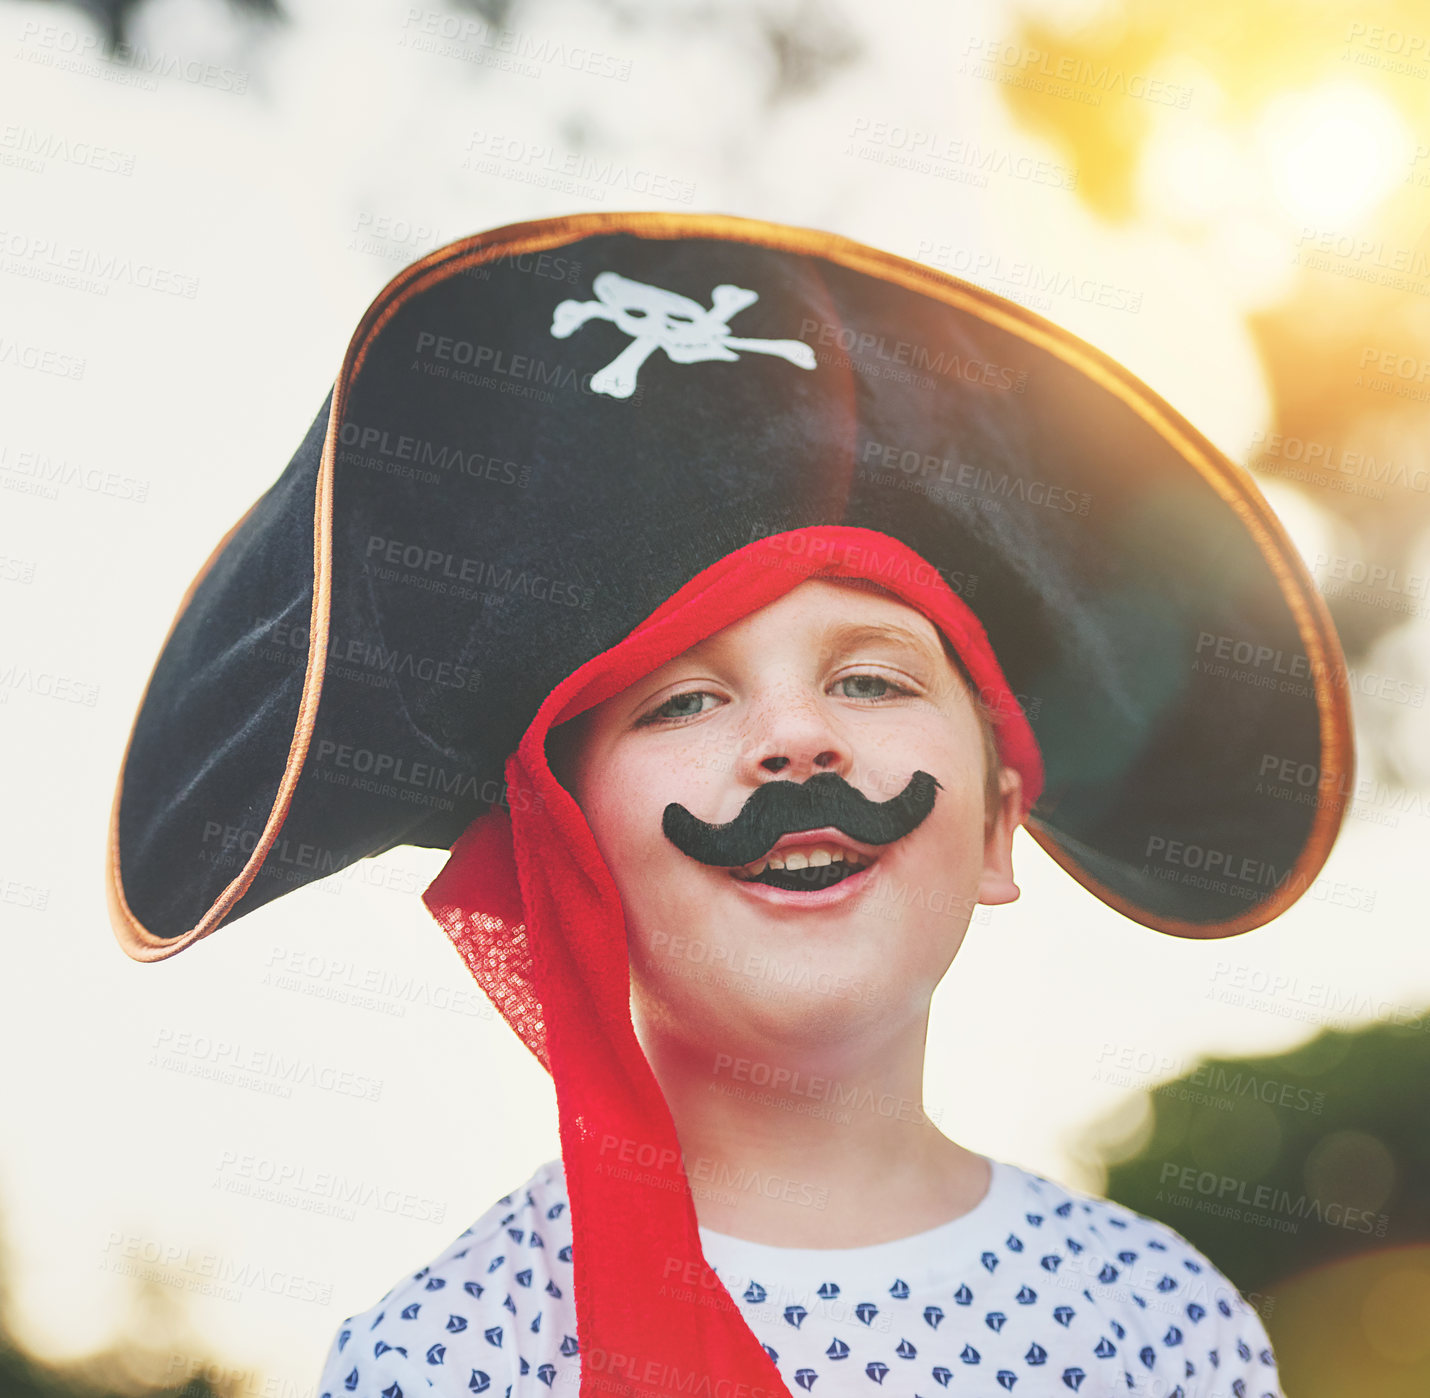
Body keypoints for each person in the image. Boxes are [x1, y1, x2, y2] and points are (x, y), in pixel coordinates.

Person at [105, 213, 1351, 1398]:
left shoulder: (1160, 1322)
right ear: (563, 851)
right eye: (680, 703)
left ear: (991, 824)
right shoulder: (442, 1356)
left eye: (868, 678)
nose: (796, 737)